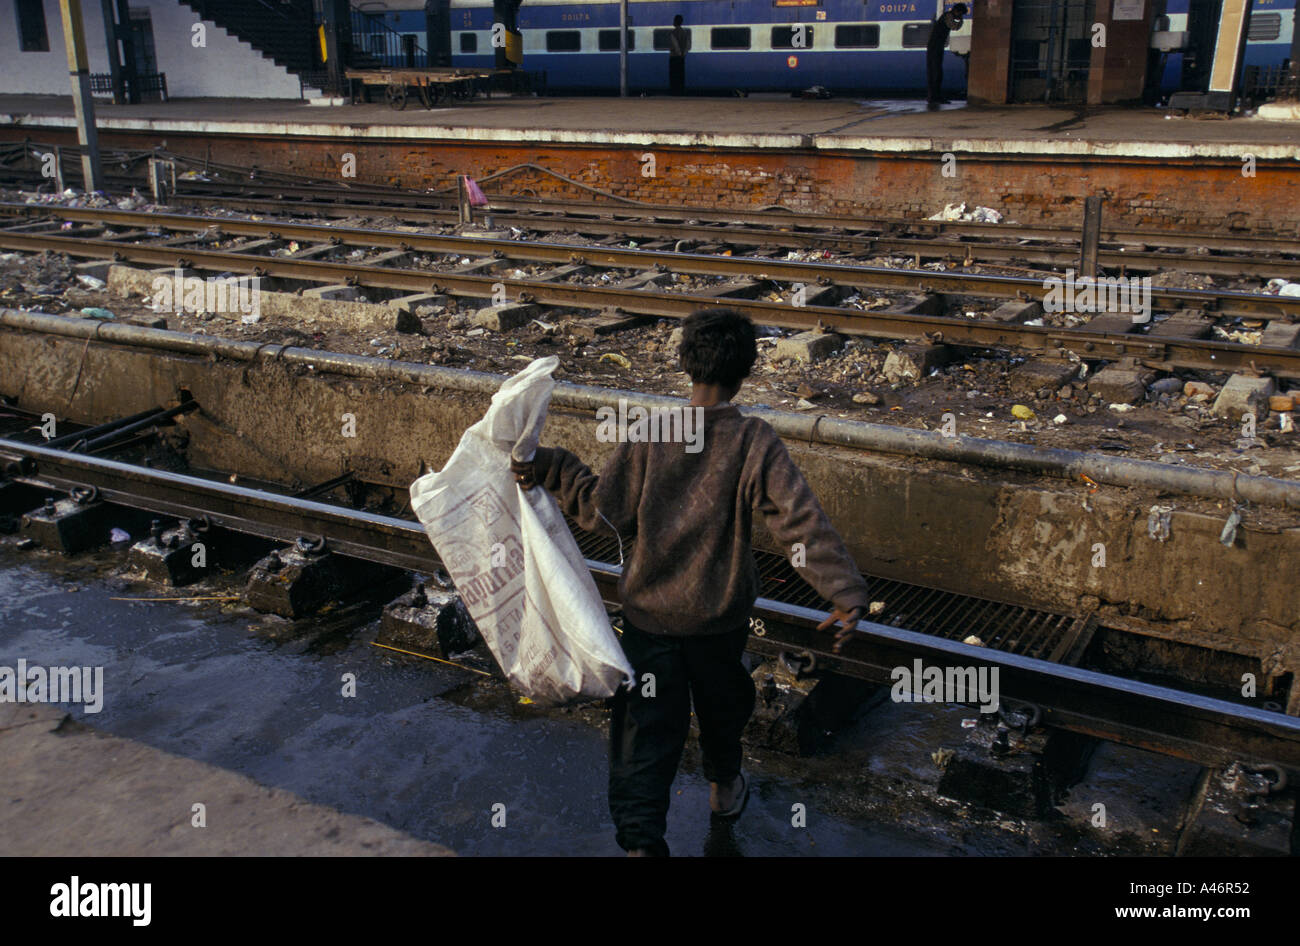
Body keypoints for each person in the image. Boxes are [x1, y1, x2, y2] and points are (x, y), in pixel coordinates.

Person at [511, 308, 871, 856]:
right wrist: (843, 592)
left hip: (649, 623)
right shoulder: (755, 441)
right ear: (745, 370)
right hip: (718, 623)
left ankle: (640, 845)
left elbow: (602, 512)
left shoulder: (651, 433)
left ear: (685, 365)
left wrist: (551, 465)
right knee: (724, 709)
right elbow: (798, 523)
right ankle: (724, 792)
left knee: (644, 734)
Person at [926, 3, 967, 109]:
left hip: (936, 46)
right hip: (935, 47)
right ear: (957, 11)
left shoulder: (947, 16)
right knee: (936, 72)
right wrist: (961, 20)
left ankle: (934, 96)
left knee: (935, 71)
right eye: (961, 14)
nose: (960, 16)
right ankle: (934, 97)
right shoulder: (948, 16)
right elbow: (954, 27)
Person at [669, 14, 688, 95]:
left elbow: (675, 44)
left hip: (674, 58)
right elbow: (688, 45)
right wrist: (683, 54)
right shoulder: (685, 32)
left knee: (674, 77)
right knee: (681, 76)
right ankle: (681, 92)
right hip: (682, 58)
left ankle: (674, 93)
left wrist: (679, 53)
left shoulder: (673, 33)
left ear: (676, 22)